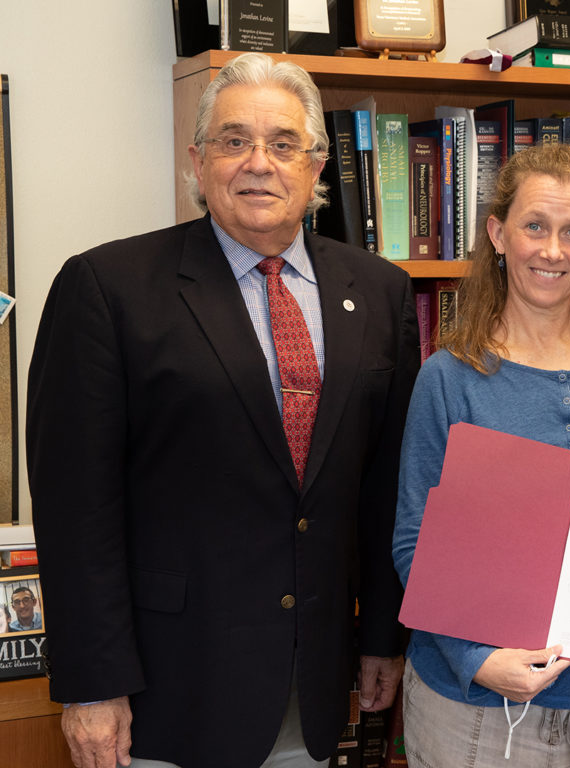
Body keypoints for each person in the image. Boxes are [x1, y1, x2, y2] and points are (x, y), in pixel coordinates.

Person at [27, 53, 418, 768]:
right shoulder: (107, 289)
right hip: (165, 693)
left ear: (319, 163)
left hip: (316, 685)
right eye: (234, 141)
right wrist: (91, 685)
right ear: (197, 160)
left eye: (282, 143)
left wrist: (381, 638)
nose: (258, 163)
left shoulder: (382, 292)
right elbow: (75, 510)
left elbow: (386, 483)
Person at [392, 142, 570, 767]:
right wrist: (477, 660)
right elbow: (414, 546)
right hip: (475, 708)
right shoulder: (448, 378)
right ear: (498, 235)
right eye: (534, 226)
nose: (552, 251)